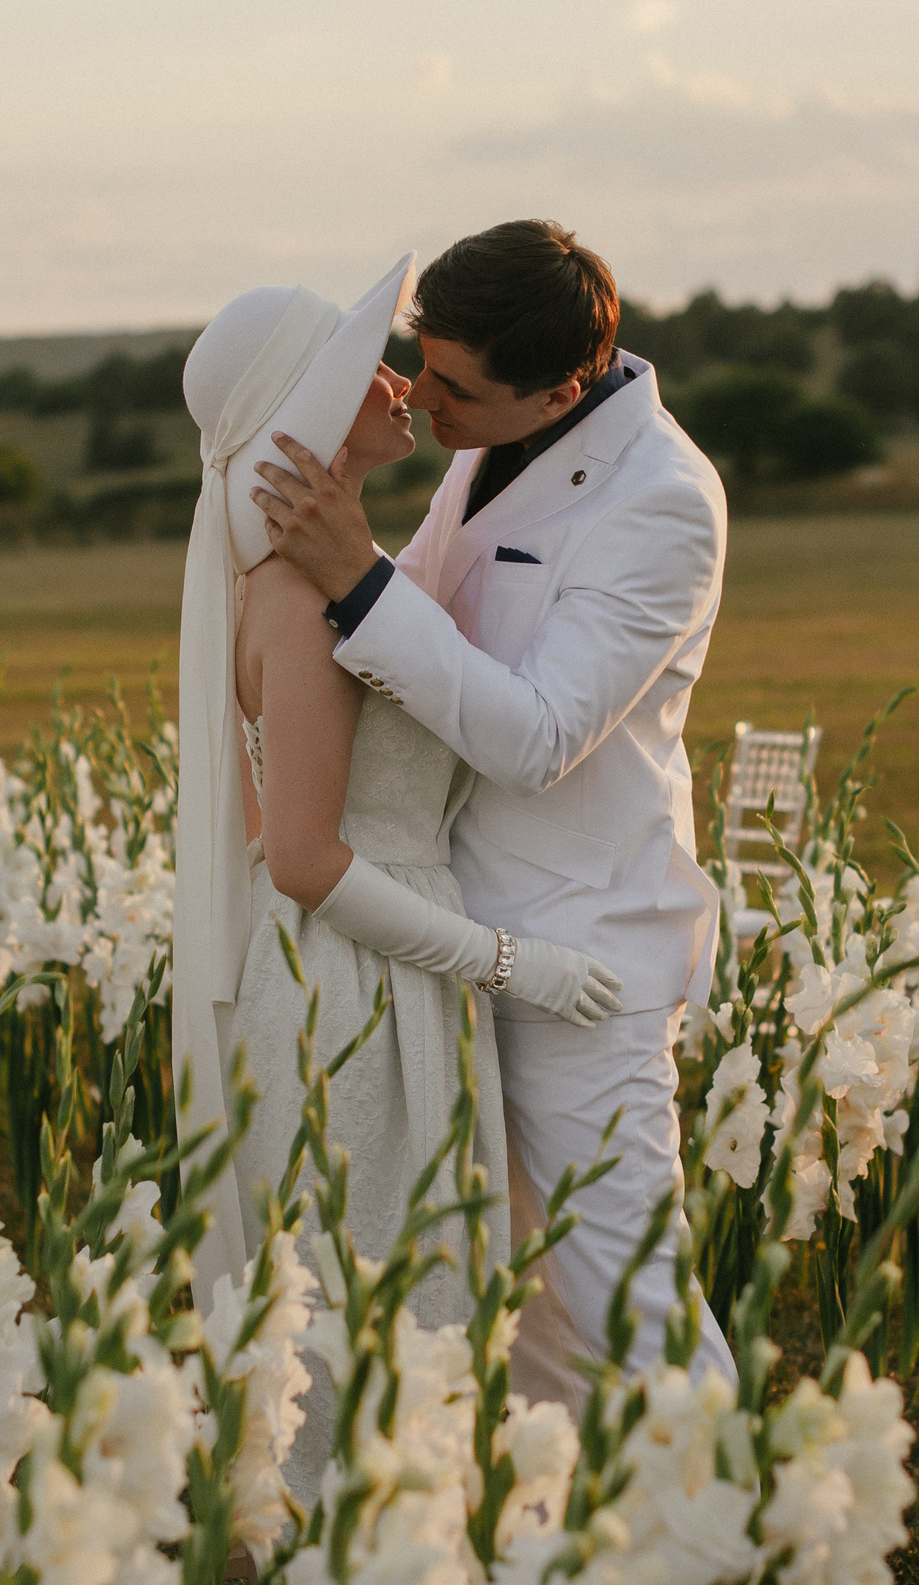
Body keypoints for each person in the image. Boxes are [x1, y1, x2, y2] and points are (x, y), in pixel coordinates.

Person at [250, 219, 737, 1406]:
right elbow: (412, 622)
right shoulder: (484, 450)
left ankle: (729, 1526)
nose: (421, 396)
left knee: (627, 1297)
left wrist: (355, 577)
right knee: (514, 1302)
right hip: (453, 941)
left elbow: (535, 737)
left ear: (564, 387)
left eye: (454, 385)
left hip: (584, 955)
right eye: (422, 359)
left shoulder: (664, 502)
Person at [172, 254, 624, 1481]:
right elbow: (306, 857)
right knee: (378, 1307)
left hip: (360, 968)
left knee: (393, 1297)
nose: (397, 381)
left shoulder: (330, 578)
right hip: (357, 993)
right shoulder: (297, 606)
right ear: (301, 422)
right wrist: (508, 963)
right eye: (358, 367)